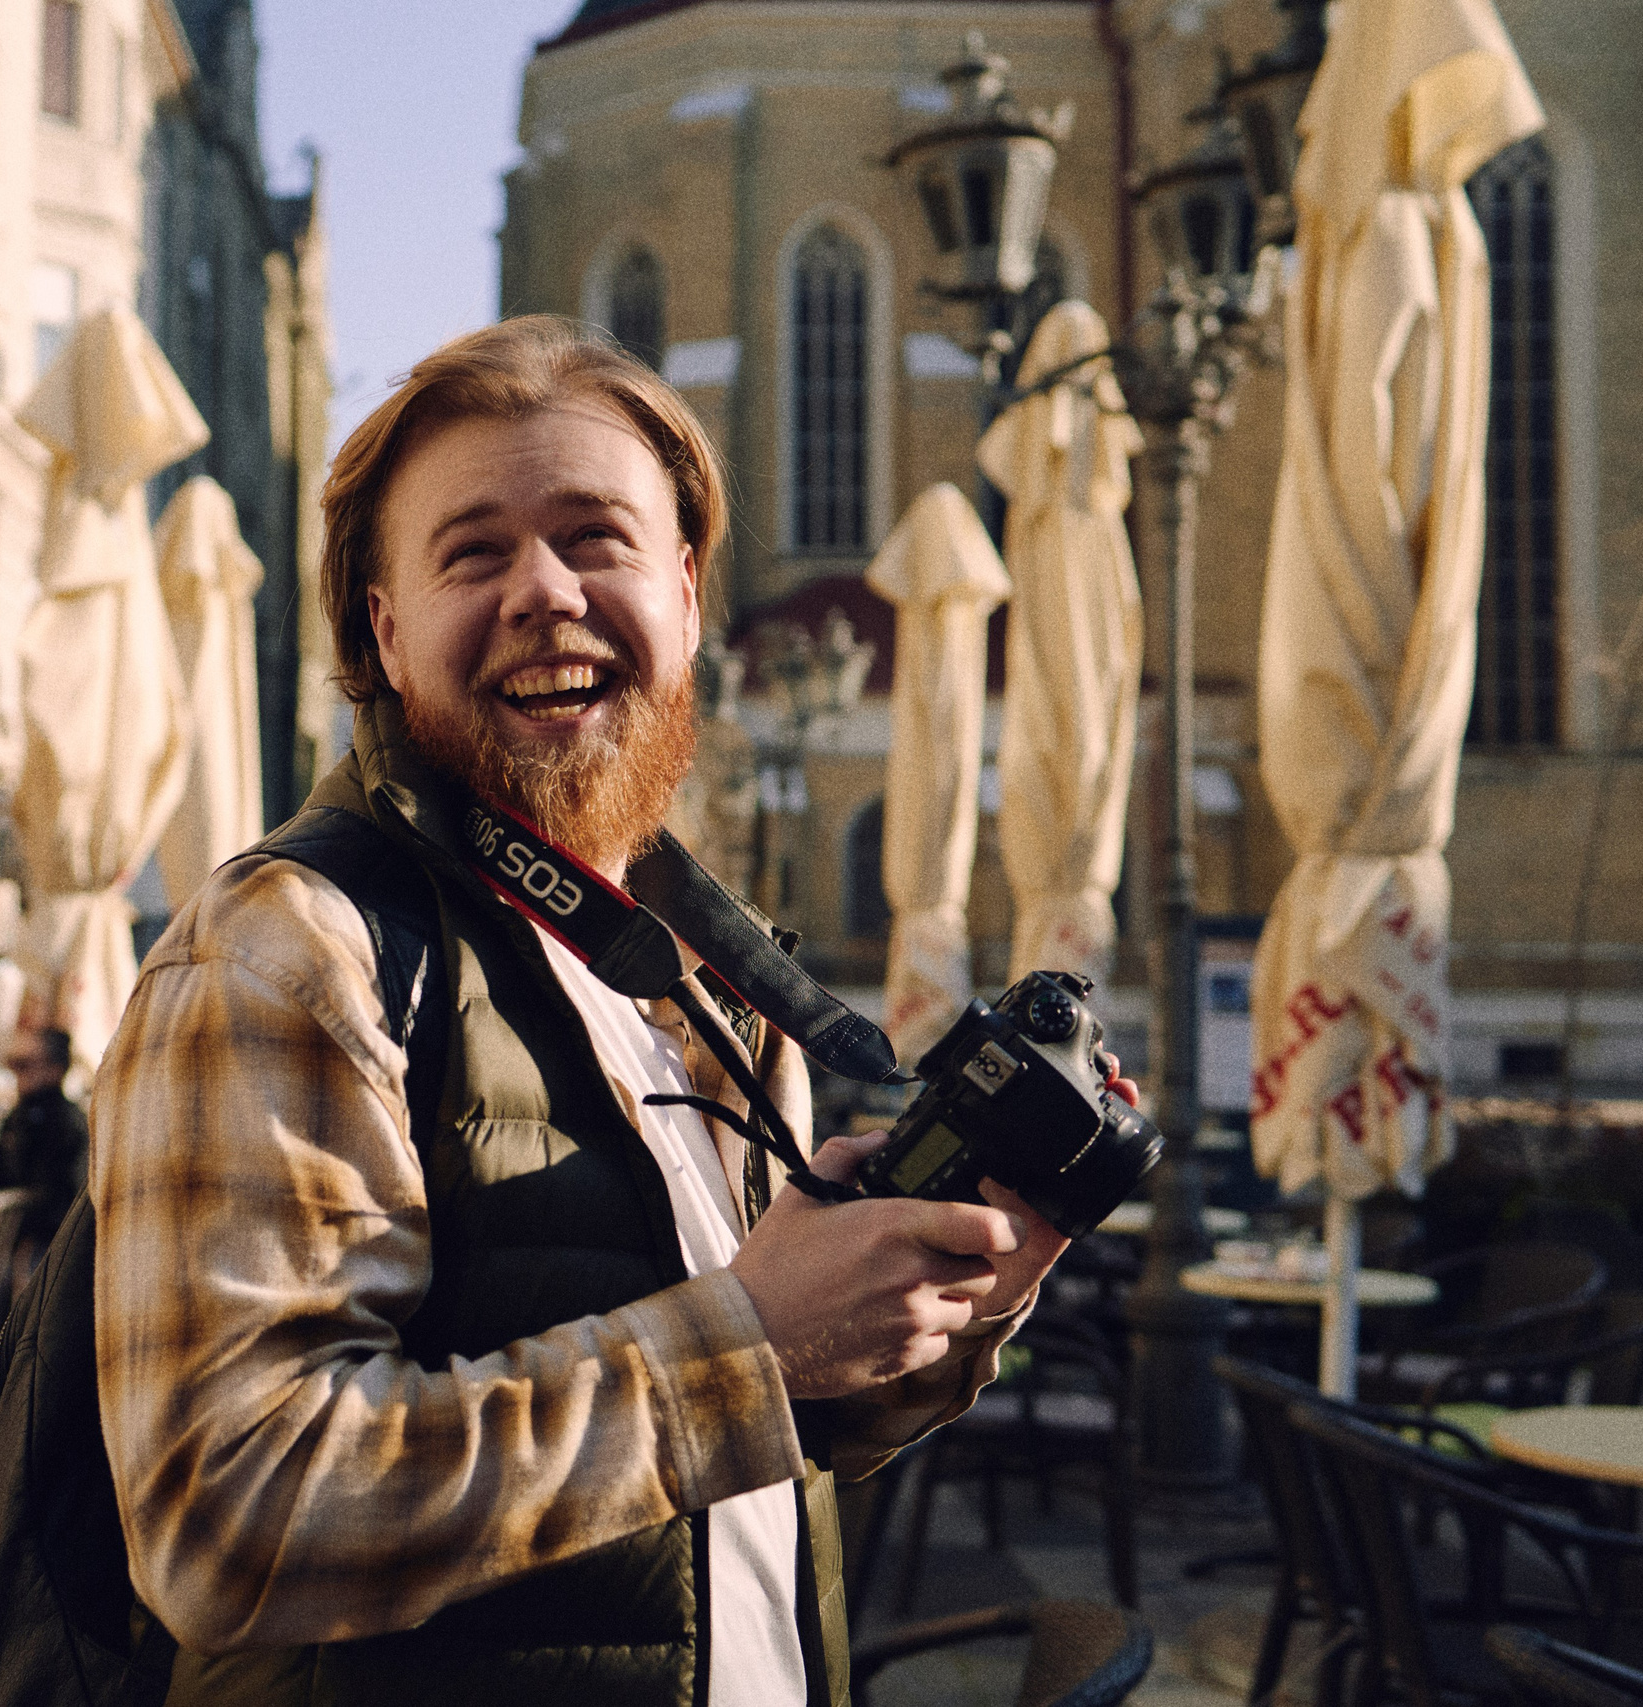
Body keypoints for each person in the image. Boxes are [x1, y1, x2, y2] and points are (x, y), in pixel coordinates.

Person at [90, 317, 1134, 1703]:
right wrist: (748, 1338)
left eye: (596, 538)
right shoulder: (291, 946)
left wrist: (938, 1296)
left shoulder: (714, 976)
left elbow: (770, 1435)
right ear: (388, 631)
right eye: (472, 551)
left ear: (687, 595)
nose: (543, 588)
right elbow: (228, 1522)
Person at [0, 1025, 88, 1283]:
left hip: (47, 1246)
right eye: (14, 1065)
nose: (16, 1074)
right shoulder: (21, 1116)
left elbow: (53, 1192)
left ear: (55, 1069)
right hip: (27, 1241)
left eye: (25, 1065)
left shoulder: (58, 1121)